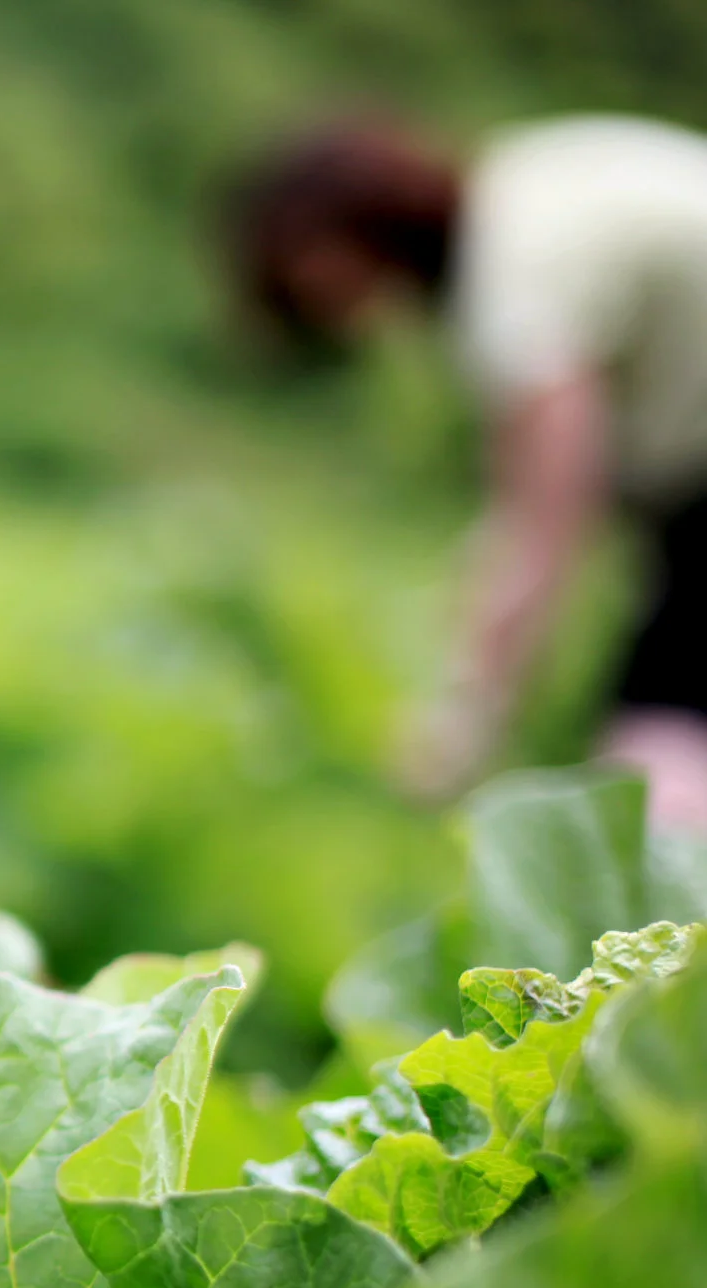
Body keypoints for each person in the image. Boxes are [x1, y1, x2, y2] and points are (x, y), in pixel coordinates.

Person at [230, 115, 707, 825]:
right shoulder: (521, 198)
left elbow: (549, 516)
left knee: (655, 769)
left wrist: (466, 717)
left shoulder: (514, 282)